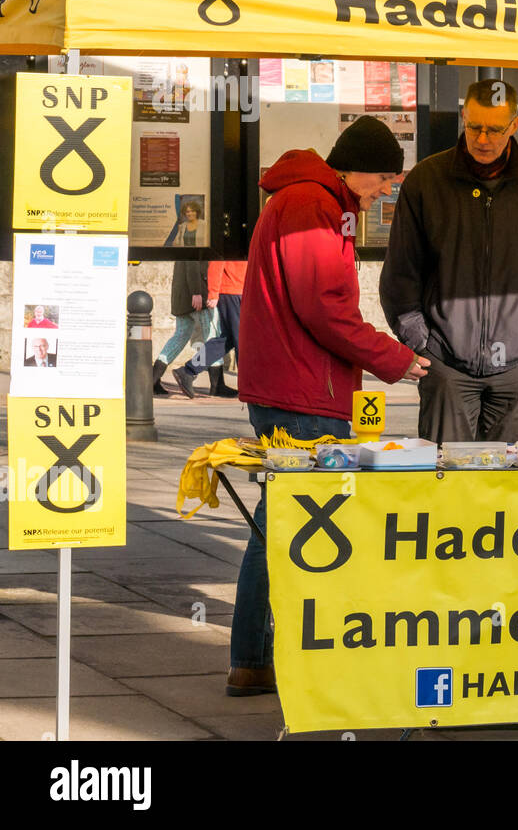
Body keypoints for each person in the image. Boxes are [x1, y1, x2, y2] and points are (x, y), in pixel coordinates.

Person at [227, 115, 428, 697]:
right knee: (289, 530)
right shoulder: (313, 204)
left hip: (294, 386)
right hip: (303, 393)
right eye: (386, 178)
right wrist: (393, 359)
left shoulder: (309, 199)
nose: (387, 190)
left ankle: (255, 659)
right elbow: (325, 307)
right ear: (360, 168)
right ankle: (264, 658)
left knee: (278, 525)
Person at [380, 78, 518, 444]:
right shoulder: (427, 181)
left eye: (495, 129)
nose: (483, 139)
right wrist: (421, 341)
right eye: (474, 126)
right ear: (463, 117)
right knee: (445, 486)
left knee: (511, 491)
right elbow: (400, 273)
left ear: (515, 126)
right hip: (445, 362)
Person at [171, 260, 245, 398]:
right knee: (242, 339)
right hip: (233, 291)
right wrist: (213, 293)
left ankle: (188, 371)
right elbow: (217, 262)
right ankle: (249, 386)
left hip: (239, 290)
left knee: (225, 340)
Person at [151, 261, 218, 398]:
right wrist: (197, 292)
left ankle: (152, 379)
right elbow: (192, 263)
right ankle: (208, 380)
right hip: (195, 295)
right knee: (212, 338)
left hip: (183, 296)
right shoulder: (195, 240)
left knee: (180, 337)